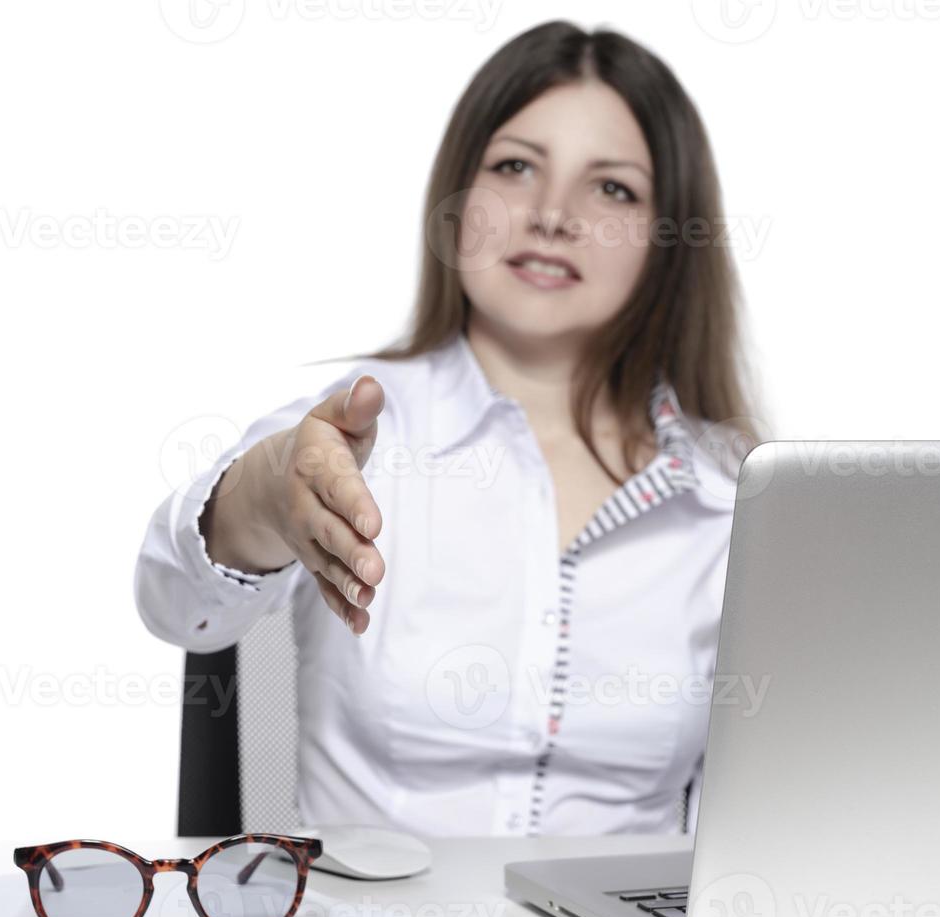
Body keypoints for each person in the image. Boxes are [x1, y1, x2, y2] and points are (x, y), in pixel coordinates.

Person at [135, 20, 759, 837]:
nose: (551, 214)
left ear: (668, 237)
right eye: (514, 167)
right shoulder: (349, 427)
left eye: (611, 188)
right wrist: (261, 497)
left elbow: (766, 823)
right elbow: (178, 608)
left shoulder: (736, 497)